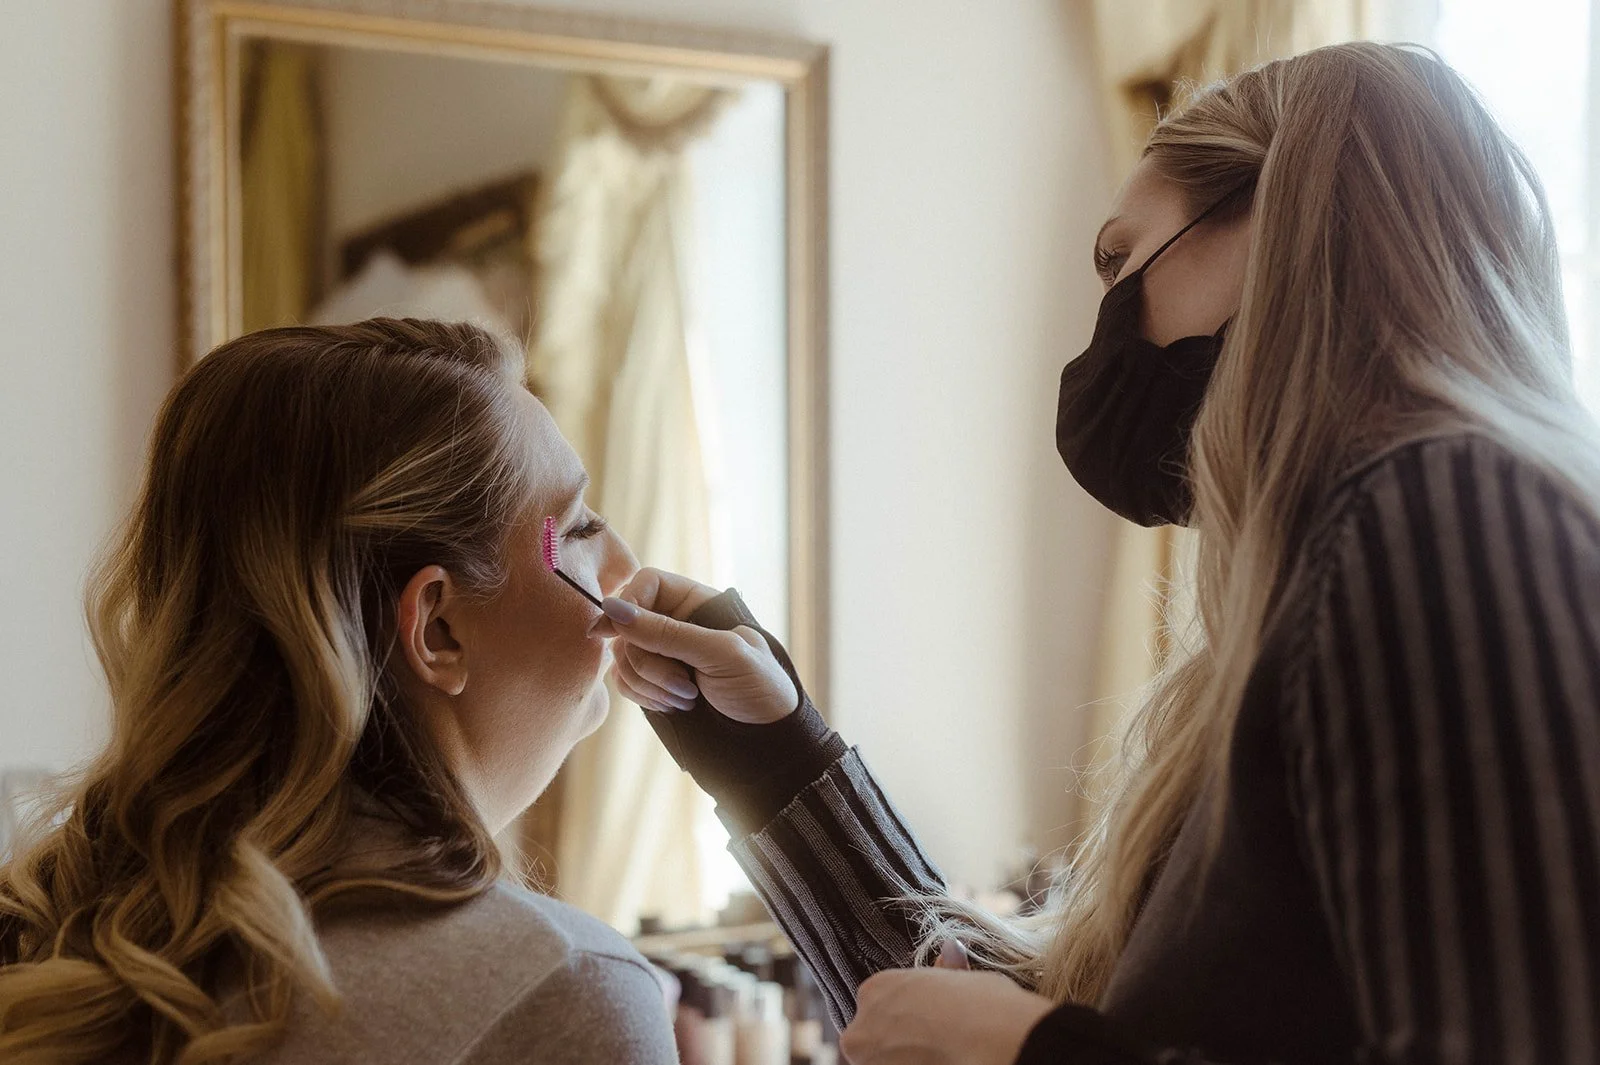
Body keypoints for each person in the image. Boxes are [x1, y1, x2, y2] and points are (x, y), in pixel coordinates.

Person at [598, 42, 1600, 1065]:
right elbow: (953, 1021)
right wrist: (769, 749)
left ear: (1288, 221)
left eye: (1122, 260)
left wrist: (1034, 1054)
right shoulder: (1321, 595)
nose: (1102, 326)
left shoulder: (1446, 511)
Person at [0, 320, 673, 1065]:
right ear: (438, 630)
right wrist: (766, 775)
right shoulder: (561, 992)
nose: (625, 565)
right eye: (579, 527)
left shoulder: (39, 930)